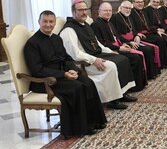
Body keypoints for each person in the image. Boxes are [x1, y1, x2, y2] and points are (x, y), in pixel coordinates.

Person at [24, 10, 107, 138]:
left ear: (55, 23)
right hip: (45, 81)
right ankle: (81, 127)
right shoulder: (32, 43)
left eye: (51, 22)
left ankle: (95, 121)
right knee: (77, 87)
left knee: (88, 82)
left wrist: (73, 69)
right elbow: (37, 70)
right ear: (39, 22)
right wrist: (63, 74)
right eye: (45, 21)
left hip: (62, 75)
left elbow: (66, 58)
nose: (48, 24)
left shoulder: (56, 38)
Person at [59, 0, 136, 110]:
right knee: (111, 66)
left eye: (85, 9)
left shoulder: (85, 25)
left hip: (94, 54)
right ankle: (112, 100)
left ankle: (122, 93)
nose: (84, 12)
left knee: (122, 59)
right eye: (80, 10)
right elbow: (75, 54)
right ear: (73, 12)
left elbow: (97, 43)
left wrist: (111, 51)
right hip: (84, 63)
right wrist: (94, 60)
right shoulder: (69, 30)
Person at [92, 2, 147, 91]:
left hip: (118, 47)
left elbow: (117, 37)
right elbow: (102, 43)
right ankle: (131, 87)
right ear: (99, 11)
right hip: (109, 51)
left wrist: (126, 43)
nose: (108, 12)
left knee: (138, 56)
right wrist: (119, 48)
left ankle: (136, 85)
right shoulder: (96, 24)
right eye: (105, 10)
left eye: (109, 10)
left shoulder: (109, 22)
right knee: (135, 58)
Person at [112, 1, 160, 79]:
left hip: (134, 40)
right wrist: (129, 42)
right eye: (126, 8)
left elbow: (133, 29)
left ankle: (150, 74)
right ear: (121, 8)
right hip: (125, 43)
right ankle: (144, 76)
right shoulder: (115, 17)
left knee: (150, 49)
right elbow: (116, 35)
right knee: (146, 50)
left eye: (129, 8)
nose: (128, 10)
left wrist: (136, 35)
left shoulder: (129, 17)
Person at [130, 0, 167, 68]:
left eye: (141, 2)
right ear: (133, 3)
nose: (140, 4)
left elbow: (149, 25)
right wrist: (137, 34)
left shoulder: (143, 12)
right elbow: (131, 27)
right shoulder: (131, 13)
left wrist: (156, 31)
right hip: (141, 34)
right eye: (138, 2)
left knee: (163, 37)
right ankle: (162, 63)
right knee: (160, 39)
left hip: (148, 32)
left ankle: (165, 61)